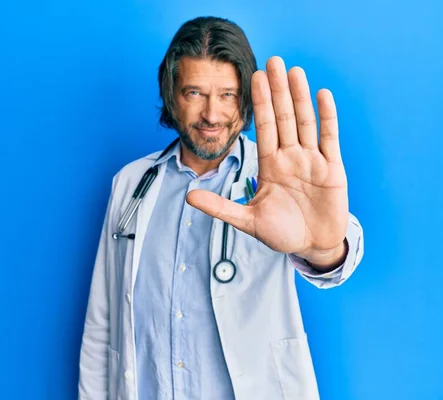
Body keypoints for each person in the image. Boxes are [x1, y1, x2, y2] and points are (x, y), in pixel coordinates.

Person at [78, 16, 364, 400]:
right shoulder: (131, 183)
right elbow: (103, 326)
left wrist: (323, 249)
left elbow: (333, 258)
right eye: (194, 93)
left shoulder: (276, 179)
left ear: (245, 98)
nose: (212, 115)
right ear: (171, 94)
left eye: (227, 94)